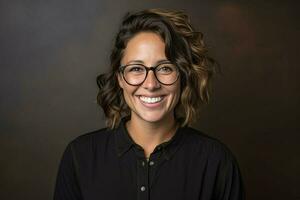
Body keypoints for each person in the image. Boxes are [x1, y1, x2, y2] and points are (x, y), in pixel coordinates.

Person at [54, 8, 245, 200]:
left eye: (165, 68)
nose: (151, 84)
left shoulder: (217, 162)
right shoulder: (80, 157)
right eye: (136, 68)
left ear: (182, 76)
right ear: (120, 77)